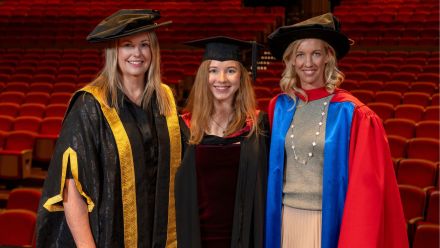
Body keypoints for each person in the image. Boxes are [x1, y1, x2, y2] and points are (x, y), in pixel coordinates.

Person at [36, 9, 182, 248]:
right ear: (114, 51)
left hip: (160, 237)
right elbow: (72, 191)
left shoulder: (164, 100)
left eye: (144, 45)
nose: (137, 53)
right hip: (108, 238)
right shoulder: (90, 105)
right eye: (127, 45)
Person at [265, 13, 408, 248]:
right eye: (300, 54)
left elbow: (366, 189)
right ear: (291, 61)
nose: (308, 63)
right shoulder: (279, 107)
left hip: (326, 222)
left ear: (328, 58)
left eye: (316, 54)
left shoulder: (352, 113)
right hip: (284, 220)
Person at [175, 36, 269, 248]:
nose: (222, 79)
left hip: (243, 235)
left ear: (241, 77)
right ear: (203, 76)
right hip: (195, 235)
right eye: (213, 70)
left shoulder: (257, 126)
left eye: (231, 70)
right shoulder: (183, 127)